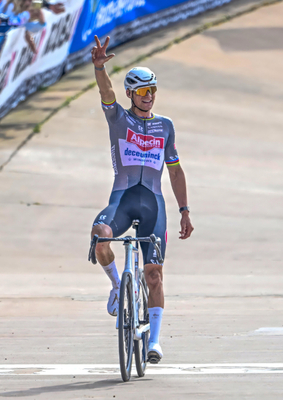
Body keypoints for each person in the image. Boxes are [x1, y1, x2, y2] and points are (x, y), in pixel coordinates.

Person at [90, 35, 194, 364]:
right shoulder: (119, 120)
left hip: (153, 205)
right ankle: (116, 285)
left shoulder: (166, 126)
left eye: (153, 91)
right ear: (131, 94)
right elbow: (106, 94)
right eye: (142, 91)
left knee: (154, 276)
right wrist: (99, 68)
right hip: (122, 200)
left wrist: (184, 210)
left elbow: (175, 172)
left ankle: (156, 341)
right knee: (100, 237)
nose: (149, 97)